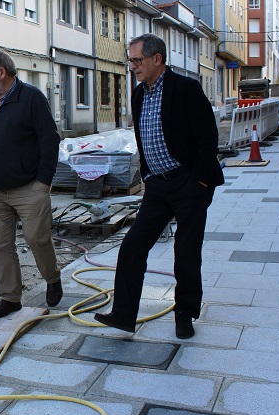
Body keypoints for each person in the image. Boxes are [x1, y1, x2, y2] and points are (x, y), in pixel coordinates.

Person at [94, 33, 224, 339]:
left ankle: (184, 314)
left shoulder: (186, 89)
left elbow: (208, 137)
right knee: (133, 245)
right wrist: (148, 176)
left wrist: (200, 181)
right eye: (131, 61)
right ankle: (124, 315)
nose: (133, 67)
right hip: (158, 186)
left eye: (137, 60)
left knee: (186, 251)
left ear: (157, 59)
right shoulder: (139, 95)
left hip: (188, 182)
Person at [0, 48, 63, 319]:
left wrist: (44, 182)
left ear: (1, 72)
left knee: (36, 238)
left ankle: (52, 277)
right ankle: (10, 298)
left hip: (28, 187)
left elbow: (49, 140)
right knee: (0, 244)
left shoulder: (31, 98)